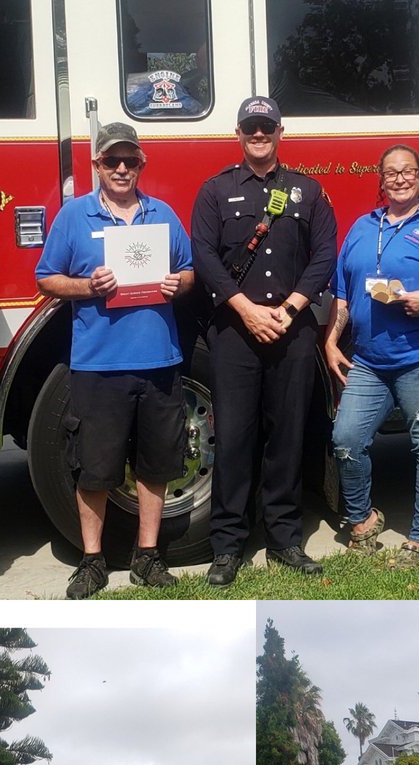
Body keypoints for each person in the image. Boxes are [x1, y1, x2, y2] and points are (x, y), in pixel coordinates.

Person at [35, 121, 195, 598]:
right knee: (95, 468)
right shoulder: (73, 217)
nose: (122, 168)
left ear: (142, 165)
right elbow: (47, 278)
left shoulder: (163, 214)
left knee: (155, 465)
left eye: (130, 161)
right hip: (97, 364)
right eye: (112, 161)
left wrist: (177, 284)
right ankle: (91, 560)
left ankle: (147, 557)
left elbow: (187, 271)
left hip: (159, 361)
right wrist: (87, 287)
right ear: (96, 166)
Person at [191, 96, 337, 586]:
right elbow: (204, 257)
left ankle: (284, 539)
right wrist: (248, 311)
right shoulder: (214, 191)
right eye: (251, 127)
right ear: (238, 133)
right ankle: (228, 546)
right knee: (233, 438)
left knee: (287, 436)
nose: (259, 135)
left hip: (291, 331)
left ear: (280, 132)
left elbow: (323, 257)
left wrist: (291, 308)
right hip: (235, 331)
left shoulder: (309, 191)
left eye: (267, 127)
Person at [324, 144, 419, 566]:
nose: (400, 178)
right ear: (381, 179)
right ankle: (364, 520)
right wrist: (333, 339)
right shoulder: (361, 227)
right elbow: (343, 291)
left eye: (408, 171)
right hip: (370, 361)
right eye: (391, 172)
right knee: (347, 439)